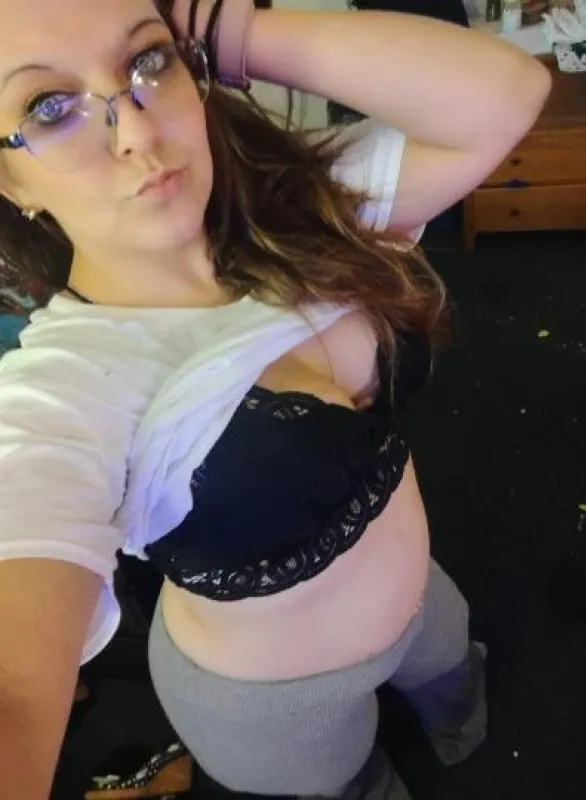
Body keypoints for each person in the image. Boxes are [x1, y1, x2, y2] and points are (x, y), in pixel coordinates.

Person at [0, 1, 550, 798]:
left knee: (462, 696)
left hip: (422, 603)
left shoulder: (302, 215)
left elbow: (506, 94)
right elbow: (15, 692)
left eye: (148, 60)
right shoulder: (68, 391)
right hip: (273, 707)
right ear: (9, 179)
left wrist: (228, 29)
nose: (137, 133)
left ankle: (459, 725)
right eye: (49, 107)